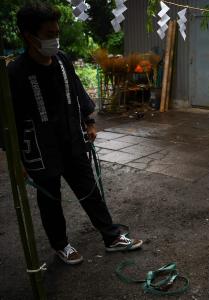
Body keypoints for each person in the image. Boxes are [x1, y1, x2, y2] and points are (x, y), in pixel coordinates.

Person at [2, 2, 142, 265]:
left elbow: (77, 92)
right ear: (29, 36)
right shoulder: (15, 73)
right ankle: (60, 244)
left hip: (72, 139)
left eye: (57, 33)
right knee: (50, 200)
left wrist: (88, 122)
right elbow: (7, 120)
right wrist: (15, 158)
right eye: (49, 35)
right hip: (40, 150)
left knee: (90, 189)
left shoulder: (63, 60)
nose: (55, 39)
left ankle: (111, 236)